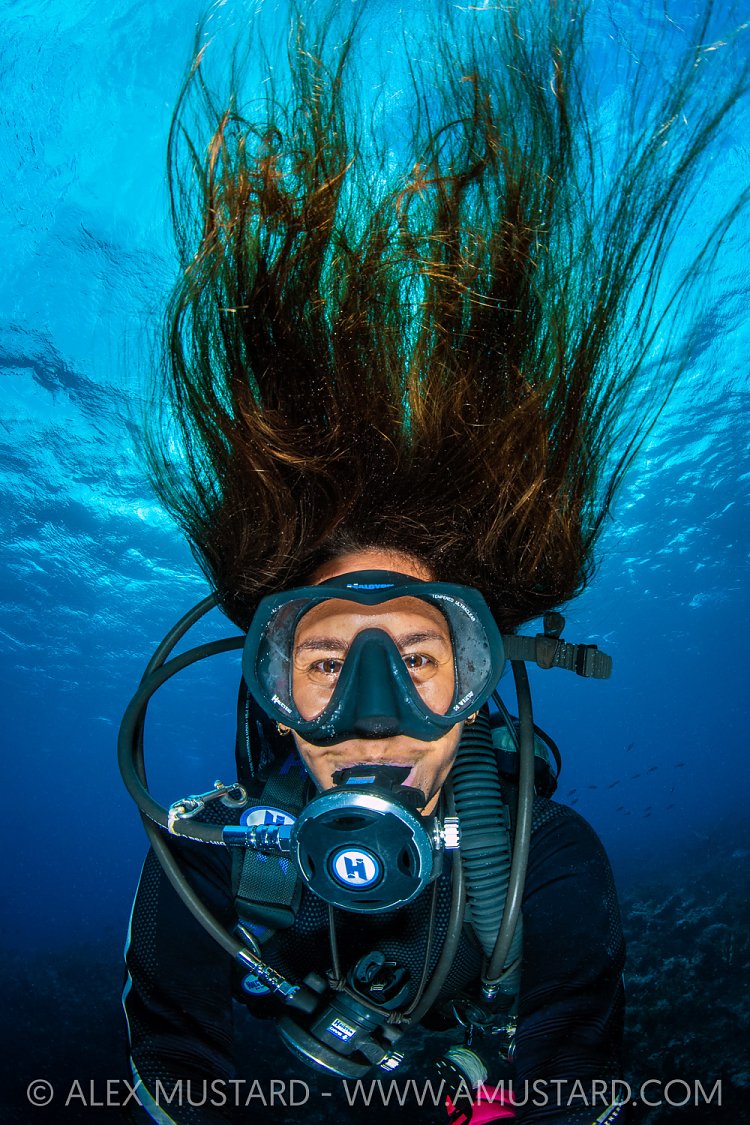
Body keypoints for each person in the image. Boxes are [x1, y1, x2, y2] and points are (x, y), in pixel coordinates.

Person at [119, 2, 747, 1122]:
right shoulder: (203, 863)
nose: (372, 717)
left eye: (415, 656)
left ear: (477, 677)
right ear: (269, 688)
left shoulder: (541, 867)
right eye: (322, 665)